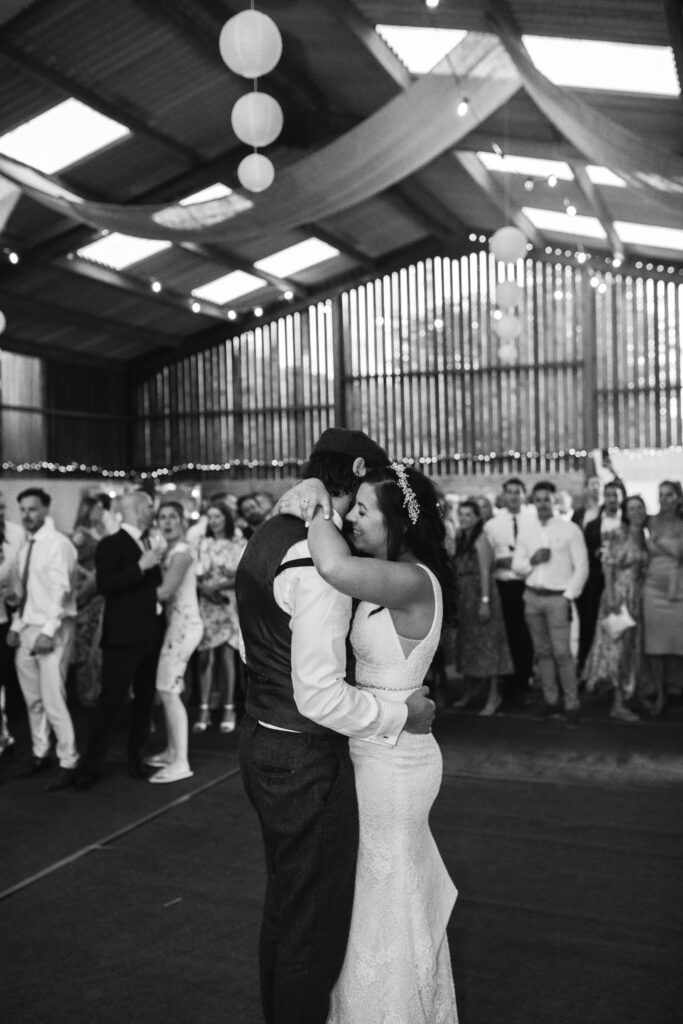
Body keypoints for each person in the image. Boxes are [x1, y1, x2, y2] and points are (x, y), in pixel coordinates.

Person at [235, 428, 436, 1024]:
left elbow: (256, 644)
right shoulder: (320, 560)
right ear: (355, 468)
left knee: (286, 908)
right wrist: (400, 714)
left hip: (259, 736)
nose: (358, 516)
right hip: (303, 756)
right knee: (311, 934)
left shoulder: (272, 532)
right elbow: (320, 695)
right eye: (367, 488)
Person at [282, 461, 459, 1024]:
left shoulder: (411, 578)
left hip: (394, 758)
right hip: (381, 737)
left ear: (399, 525)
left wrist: (315, 503)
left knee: (388, 894)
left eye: (363, 510)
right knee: (376, 892)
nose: (351, 518)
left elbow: (330, 564)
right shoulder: (391, 574)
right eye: (349, 506)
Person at [74, 490, 164, 790]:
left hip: (150, 633)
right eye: (151, 506)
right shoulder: (110, 544)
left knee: (144, 702)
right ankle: (90, 766)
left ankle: (135, 758)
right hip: (123, 638)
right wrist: (141, 566)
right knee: (109, 703)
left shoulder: (148, 541)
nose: (154, 510)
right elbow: (107, 585)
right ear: (139, 509)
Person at [7, 488, 80, 791]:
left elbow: (61, 593)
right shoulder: (27, 547)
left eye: (32, 509)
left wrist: (48, 632)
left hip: (53, 630)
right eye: (22, 509)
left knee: (53, 699)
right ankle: (40, 752)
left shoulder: (57, 544)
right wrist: (16, 623)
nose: (26, 515)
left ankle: (69, 759)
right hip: (28, 628)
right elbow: (29, 596)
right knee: (33, 700)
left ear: (46, 509)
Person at [512, 481, 589, 724]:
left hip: (558, 598)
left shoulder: (570, 529)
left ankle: (572, 703)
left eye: (547, 499)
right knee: (543, 653)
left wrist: (568, 596)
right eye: (538, 499)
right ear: (533, 502)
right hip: (532, 597)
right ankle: (551, 700)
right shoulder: (526, 530)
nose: (543, 503)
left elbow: (582, 567)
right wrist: (532, 560)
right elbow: (516, 566)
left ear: (554, 501)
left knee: (563, 653)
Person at [144, 501, 203, 783]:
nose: (166, 522)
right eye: (162, 517)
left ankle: (181, 762)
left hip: (184, 627)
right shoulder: (167, 550)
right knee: (170, 689)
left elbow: (165, 591)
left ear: (182, 521)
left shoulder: (181, 552)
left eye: (172, 517)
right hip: (176, 626)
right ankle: (171, 751)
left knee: (167, 690)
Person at [584, 496, 649, 721]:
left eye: (640, 507)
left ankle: (632, 693)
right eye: (632, 508)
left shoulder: (642, 535)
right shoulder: (618, 533)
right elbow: (608, 565)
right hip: (619, 595)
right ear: (625, 512)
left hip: (637, 596)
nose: (637, 512)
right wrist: (611, 597)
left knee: (634, 646)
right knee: (617, 648)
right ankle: (618, 703)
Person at [452, 499, 513, 715]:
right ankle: (469, 691)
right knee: (468, 644)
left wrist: (485, 601)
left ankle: (494, 695)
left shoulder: (481, 539)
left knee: (489, 645)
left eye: (469, 514)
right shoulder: (460, 538)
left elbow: (486, 571)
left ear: (478, 517)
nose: (464, 518)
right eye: (462, 514)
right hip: (465, 596)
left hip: (481, 593)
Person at [194, 501, 246, 734]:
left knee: (226, 657)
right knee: (206, 658)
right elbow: (192, 571)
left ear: (226, 518)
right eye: (210, 517)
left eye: (218, 516)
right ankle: (203, 708)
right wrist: (205, 588)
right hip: (207, 603)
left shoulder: (238, 544)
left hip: (227, 603)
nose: (214, 521)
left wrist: (218, 586)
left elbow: (243, 573)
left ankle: (228, 708)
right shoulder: (202, 544)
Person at [483, 477, 534, 708]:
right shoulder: (492, 525)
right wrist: (500, 561)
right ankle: (507, 684)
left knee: (526, 637)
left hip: (527, 583)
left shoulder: (533, 522)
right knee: (506, 637)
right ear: (503, 496)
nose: (514, 496)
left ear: (524, 495)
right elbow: (486, 559)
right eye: (510, 492)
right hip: (503, 587)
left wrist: (514, 561)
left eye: (518, 492)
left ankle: (524, 684)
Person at [574, 480, 626, 680]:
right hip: (595, 580)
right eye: (609, 495)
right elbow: (584, 550)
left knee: (618, 626)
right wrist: (596, 553)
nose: (612, 499)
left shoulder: (629, 522)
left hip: (620, 582)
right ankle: (586, 669)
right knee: (589, 625)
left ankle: (617, 673)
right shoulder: (594, 524)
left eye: (616, 494)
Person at [642, 480, 683, 714]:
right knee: (655, 645)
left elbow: (680, 554)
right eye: (661, 495)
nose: (664, 499)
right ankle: (659, 693)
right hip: (653, 587)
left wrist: (659, 545)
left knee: (679, 643)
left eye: (669, 495)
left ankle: (677, 685)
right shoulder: (650, 521)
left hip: (679, 587)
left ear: (678, 497)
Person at [70, 493, 111, 707]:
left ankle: (98, 689)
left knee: (100, 646)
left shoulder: (102, 530)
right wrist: (89, 576)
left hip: (102, 591)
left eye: (101, 508)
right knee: (87, 644)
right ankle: (86, 692)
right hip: (90, 591)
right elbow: (71, 563)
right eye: (96, 508)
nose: (100, 512)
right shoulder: (81, 534)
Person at [0, 490, 24, 759]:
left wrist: (13, 597)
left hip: (4, 619)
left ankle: (4, 735)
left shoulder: (11, 541)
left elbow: (19, 588)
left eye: (2, 507)